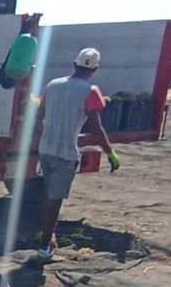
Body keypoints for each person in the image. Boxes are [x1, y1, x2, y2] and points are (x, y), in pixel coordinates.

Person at [31, 47, 120, 261]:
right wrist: (110, 153)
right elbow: (96, 128)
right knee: (55, 199)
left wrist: (46, 134)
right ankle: (44, 247)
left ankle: (48, 235)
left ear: (74, 64)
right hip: (66, 154)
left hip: (46, 150)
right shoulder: (90, 92)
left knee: (49, 193)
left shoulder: (53, 85)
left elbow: (38, 116)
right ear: (95, 69)